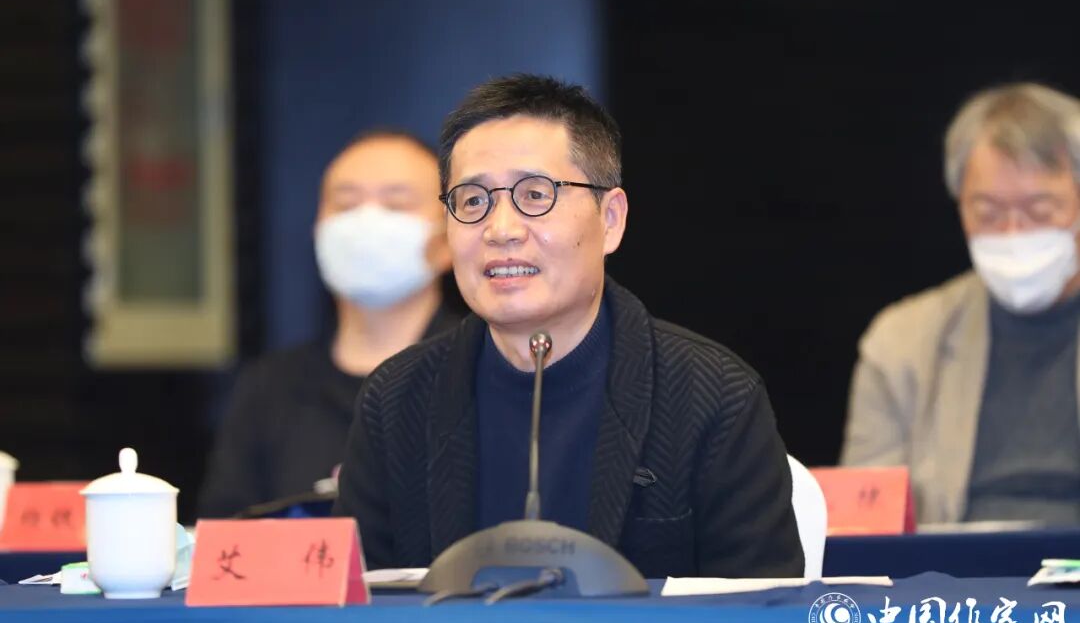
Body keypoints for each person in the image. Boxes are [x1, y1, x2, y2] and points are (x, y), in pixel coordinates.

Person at [333, 75, 803, 578]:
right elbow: (352, 603)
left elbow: (763, 606)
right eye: (473, 201)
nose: (501, 229)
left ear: (611, 219)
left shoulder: (713, 397)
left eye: (536, 195)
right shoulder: (396, 401)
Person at [842, 83, 1080, 526]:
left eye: (1040, 209)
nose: (1012, 232)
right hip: (955, 565)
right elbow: (865, 525)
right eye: (988, 212)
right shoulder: (901, 343)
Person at [199, 130, 462, 518]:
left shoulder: (478, 372)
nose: (366, 222)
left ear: (448, 238)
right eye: (346, 203)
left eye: (396, 203)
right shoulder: (270, 388)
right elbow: (224, 534)